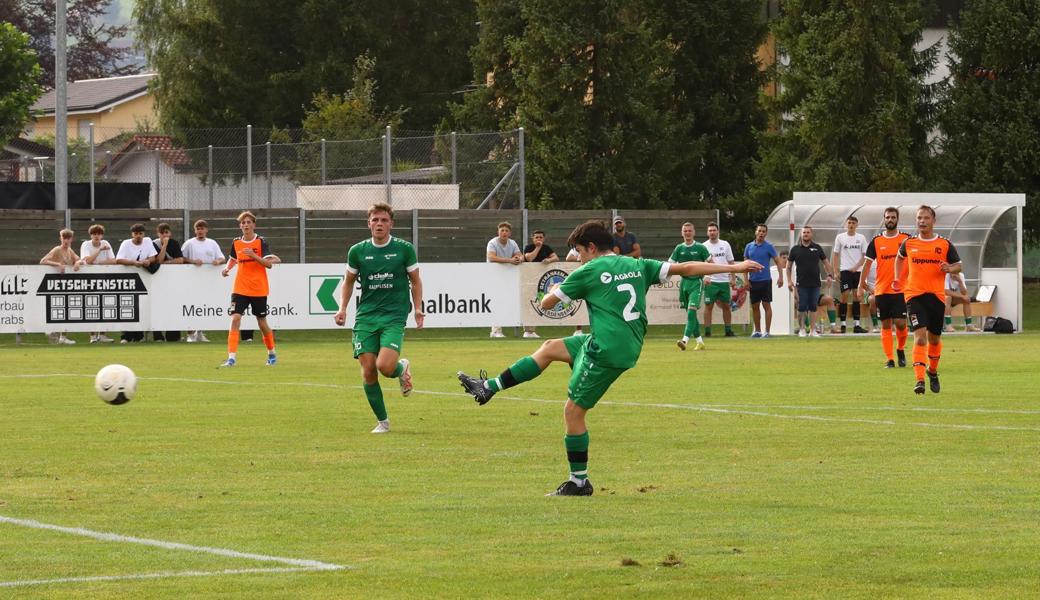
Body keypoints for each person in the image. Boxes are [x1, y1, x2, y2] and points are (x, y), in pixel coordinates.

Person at [457, 220, 762, 496]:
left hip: (607, 349)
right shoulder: (636, 263)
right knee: (550, 347)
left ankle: (579, 482)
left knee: (573, 412)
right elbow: (687, 269)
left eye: (579, 252)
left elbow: (548, 303)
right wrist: (735, 268)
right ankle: (490, 386)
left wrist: (551, 290)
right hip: (622, 342)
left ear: (591, 248)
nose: (578, 258)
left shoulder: (588, 271)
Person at [334, 203, 424, 434]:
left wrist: (417, 309)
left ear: (391, 224)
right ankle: (383, 421)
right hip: (366, 316)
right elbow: (348, 282)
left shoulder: (404, 249)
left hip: (394, 316)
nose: (379, 224)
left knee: (384, 366)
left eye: (384, 220)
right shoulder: (357, 251)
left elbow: (415, 281)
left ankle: (400, 368)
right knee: (368, 370)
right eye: (375, 220)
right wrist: (342, 308)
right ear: (369, 223)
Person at [894, 205, 962, 394]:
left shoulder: (944, 244)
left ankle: (932, 371)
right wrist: (897, 278)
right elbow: (899, 259)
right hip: (914, 295)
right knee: (920, 336)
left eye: (925, 218)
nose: (921, 221)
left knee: (934, 339)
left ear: (933, 221)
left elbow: (959, 266)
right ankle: (919, 380)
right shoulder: (909, 243)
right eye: (919, 218)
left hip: (937, 297)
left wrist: (950, 268)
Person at [220, 211, 277, 367]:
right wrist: (227, 269)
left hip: (258, 288)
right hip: (240, 287)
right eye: (243, 223)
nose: (246, 225)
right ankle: (231, 358)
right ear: (240, 226)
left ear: (254, 225)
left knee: (261, 322)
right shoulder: (236, 242)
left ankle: (271, 353)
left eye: (248, 222)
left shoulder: (261, 242)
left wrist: (253, 255)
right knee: (235, 318)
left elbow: (269, 264)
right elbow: (233, 259)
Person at [859, 207, 911, 367]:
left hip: (901, 289)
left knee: (901, 323)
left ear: (897, 219)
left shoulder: (906, 239)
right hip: (881, 289)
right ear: (884, 219)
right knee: (886, 324)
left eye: (893, 217)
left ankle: (900, 349)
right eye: (887, 217)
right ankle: (890, 359)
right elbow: (867, 264)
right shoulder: (876, 241)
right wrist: (861, 285)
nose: (890, 219)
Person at [181, 219, 226, 343]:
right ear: (195, 230)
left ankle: (200, 332)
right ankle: (190, 334)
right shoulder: (189, 243)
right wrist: (193, 261)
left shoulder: (212, 243)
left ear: (206, 230)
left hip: (208, 281)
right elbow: (181, 258)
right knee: (191, 305)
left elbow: (222, 258)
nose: (200, 231)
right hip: (192, 280)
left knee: (204, 305)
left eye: (202, 228)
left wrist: (218, 261)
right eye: (198, 229)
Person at [786, 225, 834, 338]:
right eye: (804, 232)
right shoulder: (795, 249)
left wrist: (830, 275)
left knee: (813, 306)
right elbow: (788, 267)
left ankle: (813, 330)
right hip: (801, 284)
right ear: (801, 234)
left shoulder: (817, 248)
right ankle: (802, 329)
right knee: (801, 306)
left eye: (808, 232)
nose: (806, 234)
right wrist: (789, 281)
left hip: (815, 283)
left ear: (811, 234)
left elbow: (826, 263)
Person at [669, 222, 710, 350]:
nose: (687, 233)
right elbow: (670, 264)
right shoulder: (679, 248)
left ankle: (684, 341)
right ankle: (700, 342)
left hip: (696, 283)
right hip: (684, 283)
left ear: (694, 232)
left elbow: (710, 263)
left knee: (691, 312)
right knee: (691, 315)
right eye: (685, 231)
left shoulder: (700, 247)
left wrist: (708, 277)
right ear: (682, 233)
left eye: (689, 231)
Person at [115, 223, 159, 343]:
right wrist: (133, 263)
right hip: (128, 279)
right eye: (136, 233)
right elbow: (118, 259)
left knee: (141, 308)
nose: (138, 236)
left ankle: (138, 336)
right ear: (132, 234)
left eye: (140, 233)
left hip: (144, 279)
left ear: (143, 234)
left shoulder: (148, 241)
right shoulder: (126, 243)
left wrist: (147, 262)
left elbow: (153, 257)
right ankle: (125, 337)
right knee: (127, 308)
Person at [39, 228, 80, 345]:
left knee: (67, 309)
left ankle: (63, 336)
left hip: (66, 284)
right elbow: (43, 261)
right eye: (64, 238)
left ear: (71, 239)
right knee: (56, 307)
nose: (66, 240)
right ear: (60, 238)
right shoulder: (57, 249)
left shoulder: (70, 250)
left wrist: (77, 263)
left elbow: (80, 259)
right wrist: (58, 264)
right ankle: (49, 328)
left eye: (68, 238)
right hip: (55, 284)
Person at [743, 224, 784, 338]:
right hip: (753, 281)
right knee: (755, 306)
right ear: (756, 232)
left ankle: (767, 331)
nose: (761, 233)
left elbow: (778, 262)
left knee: (766, 305)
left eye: (763, 231)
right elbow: (745, 265)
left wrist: (781, 277)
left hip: (765, 280)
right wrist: (746, 280)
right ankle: (757, 331)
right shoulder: (749, 247)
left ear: (766, 233)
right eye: (759, 231)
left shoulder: (769, 247)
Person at [77, 223, 116, 343]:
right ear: (91, 235)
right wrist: (99, 251)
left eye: (99, 234)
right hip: (89, 279)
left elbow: (113, 261)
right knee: (91, 306)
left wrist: (99, 263)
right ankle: (92, 336)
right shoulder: (86, 244)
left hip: (104, 279)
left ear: (102, 235)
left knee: (106, 305)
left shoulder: (106, 243)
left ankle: (102, 335)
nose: (96, 236)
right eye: (94, 234)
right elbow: (88, 261)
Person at [832, 216, 869, 333]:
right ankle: (843, 325)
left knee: (856, 296)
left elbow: (865, 256)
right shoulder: (840, 237)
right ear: (846, 224)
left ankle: (856, 325)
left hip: (858, 271)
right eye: (849, 223)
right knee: (844, 295)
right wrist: (836, 271)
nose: (851, 225)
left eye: (853, 223)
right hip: (845, 270)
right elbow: (836, 254)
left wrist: (856, 267)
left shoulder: (861, 238)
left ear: (857, 225)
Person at [486, 221, 522, 338]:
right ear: (498, 232)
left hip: (508, 276)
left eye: (506, 231)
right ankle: (496, 331)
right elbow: (491, 257)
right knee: (496, 302)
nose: (504, 232)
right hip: (493, 276)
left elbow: (520, 255)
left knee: (508, 301)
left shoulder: (513, 243)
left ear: (510, 233)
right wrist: (510, 260)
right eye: (502, 230)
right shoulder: (492, 242)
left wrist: (518, 259)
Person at [522, 230, 559, 339]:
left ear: (544, 238)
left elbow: (556, 257)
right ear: (532, 238)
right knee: (529, 303)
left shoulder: (547, 248)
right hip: (528, 279)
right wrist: (537, 248)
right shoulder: (529, 247)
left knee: (537, 302)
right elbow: (529, 258)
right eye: (536, 237)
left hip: (541, 280)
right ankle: (527, 330)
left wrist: (549, 259)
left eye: (541, 237)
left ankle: (532, 331)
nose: (539, 239)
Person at [702, 222, 736, 337]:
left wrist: (733, 277)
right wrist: (705, 277)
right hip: (710, 281)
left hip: (723, 280)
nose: (712, 232)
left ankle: (728, 330)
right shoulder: (703, 246)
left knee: (726, 306)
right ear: (707, 233)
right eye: (710, 230)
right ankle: (707, 332)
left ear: (718, 232)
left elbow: (731, 262)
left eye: (714, 230)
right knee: (708, 306)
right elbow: (701, 265)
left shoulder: (725, 244)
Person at [152, 223, 185, 342]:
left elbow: (180, 260)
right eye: (162, 233)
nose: (165, 235)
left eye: (167, 232)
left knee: (173, 306)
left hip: (172, 280)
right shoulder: (154, 244)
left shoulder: (175, 243)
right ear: (158, 234)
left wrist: (166, 264)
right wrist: (164, 246)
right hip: (157, 280)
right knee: (158, 306)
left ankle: (173, 336)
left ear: (170, 233)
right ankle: (158, 336)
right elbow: (158, 260)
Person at [565, 247, 584, 336]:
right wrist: (579, 258)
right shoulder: (576, 249)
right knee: (578, 303)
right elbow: (568, 258)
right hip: (580, 279)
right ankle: (578, 330)